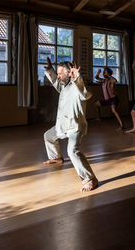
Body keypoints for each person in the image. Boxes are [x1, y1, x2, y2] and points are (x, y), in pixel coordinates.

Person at [42, 57, 98, 192]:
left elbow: (86, 94)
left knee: (72, 151)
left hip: (75, 126)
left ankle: (91, 179)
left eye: (61, 73)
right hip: (62, 125)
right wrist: (50, 70)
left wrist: (77, 78)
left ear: (69, 73)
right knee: (48, 136)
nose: (59, 76)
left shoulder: (78, 86)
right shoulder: (63, 86)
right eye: (59, 73)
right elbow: (56, 81)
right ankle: (56, 157)